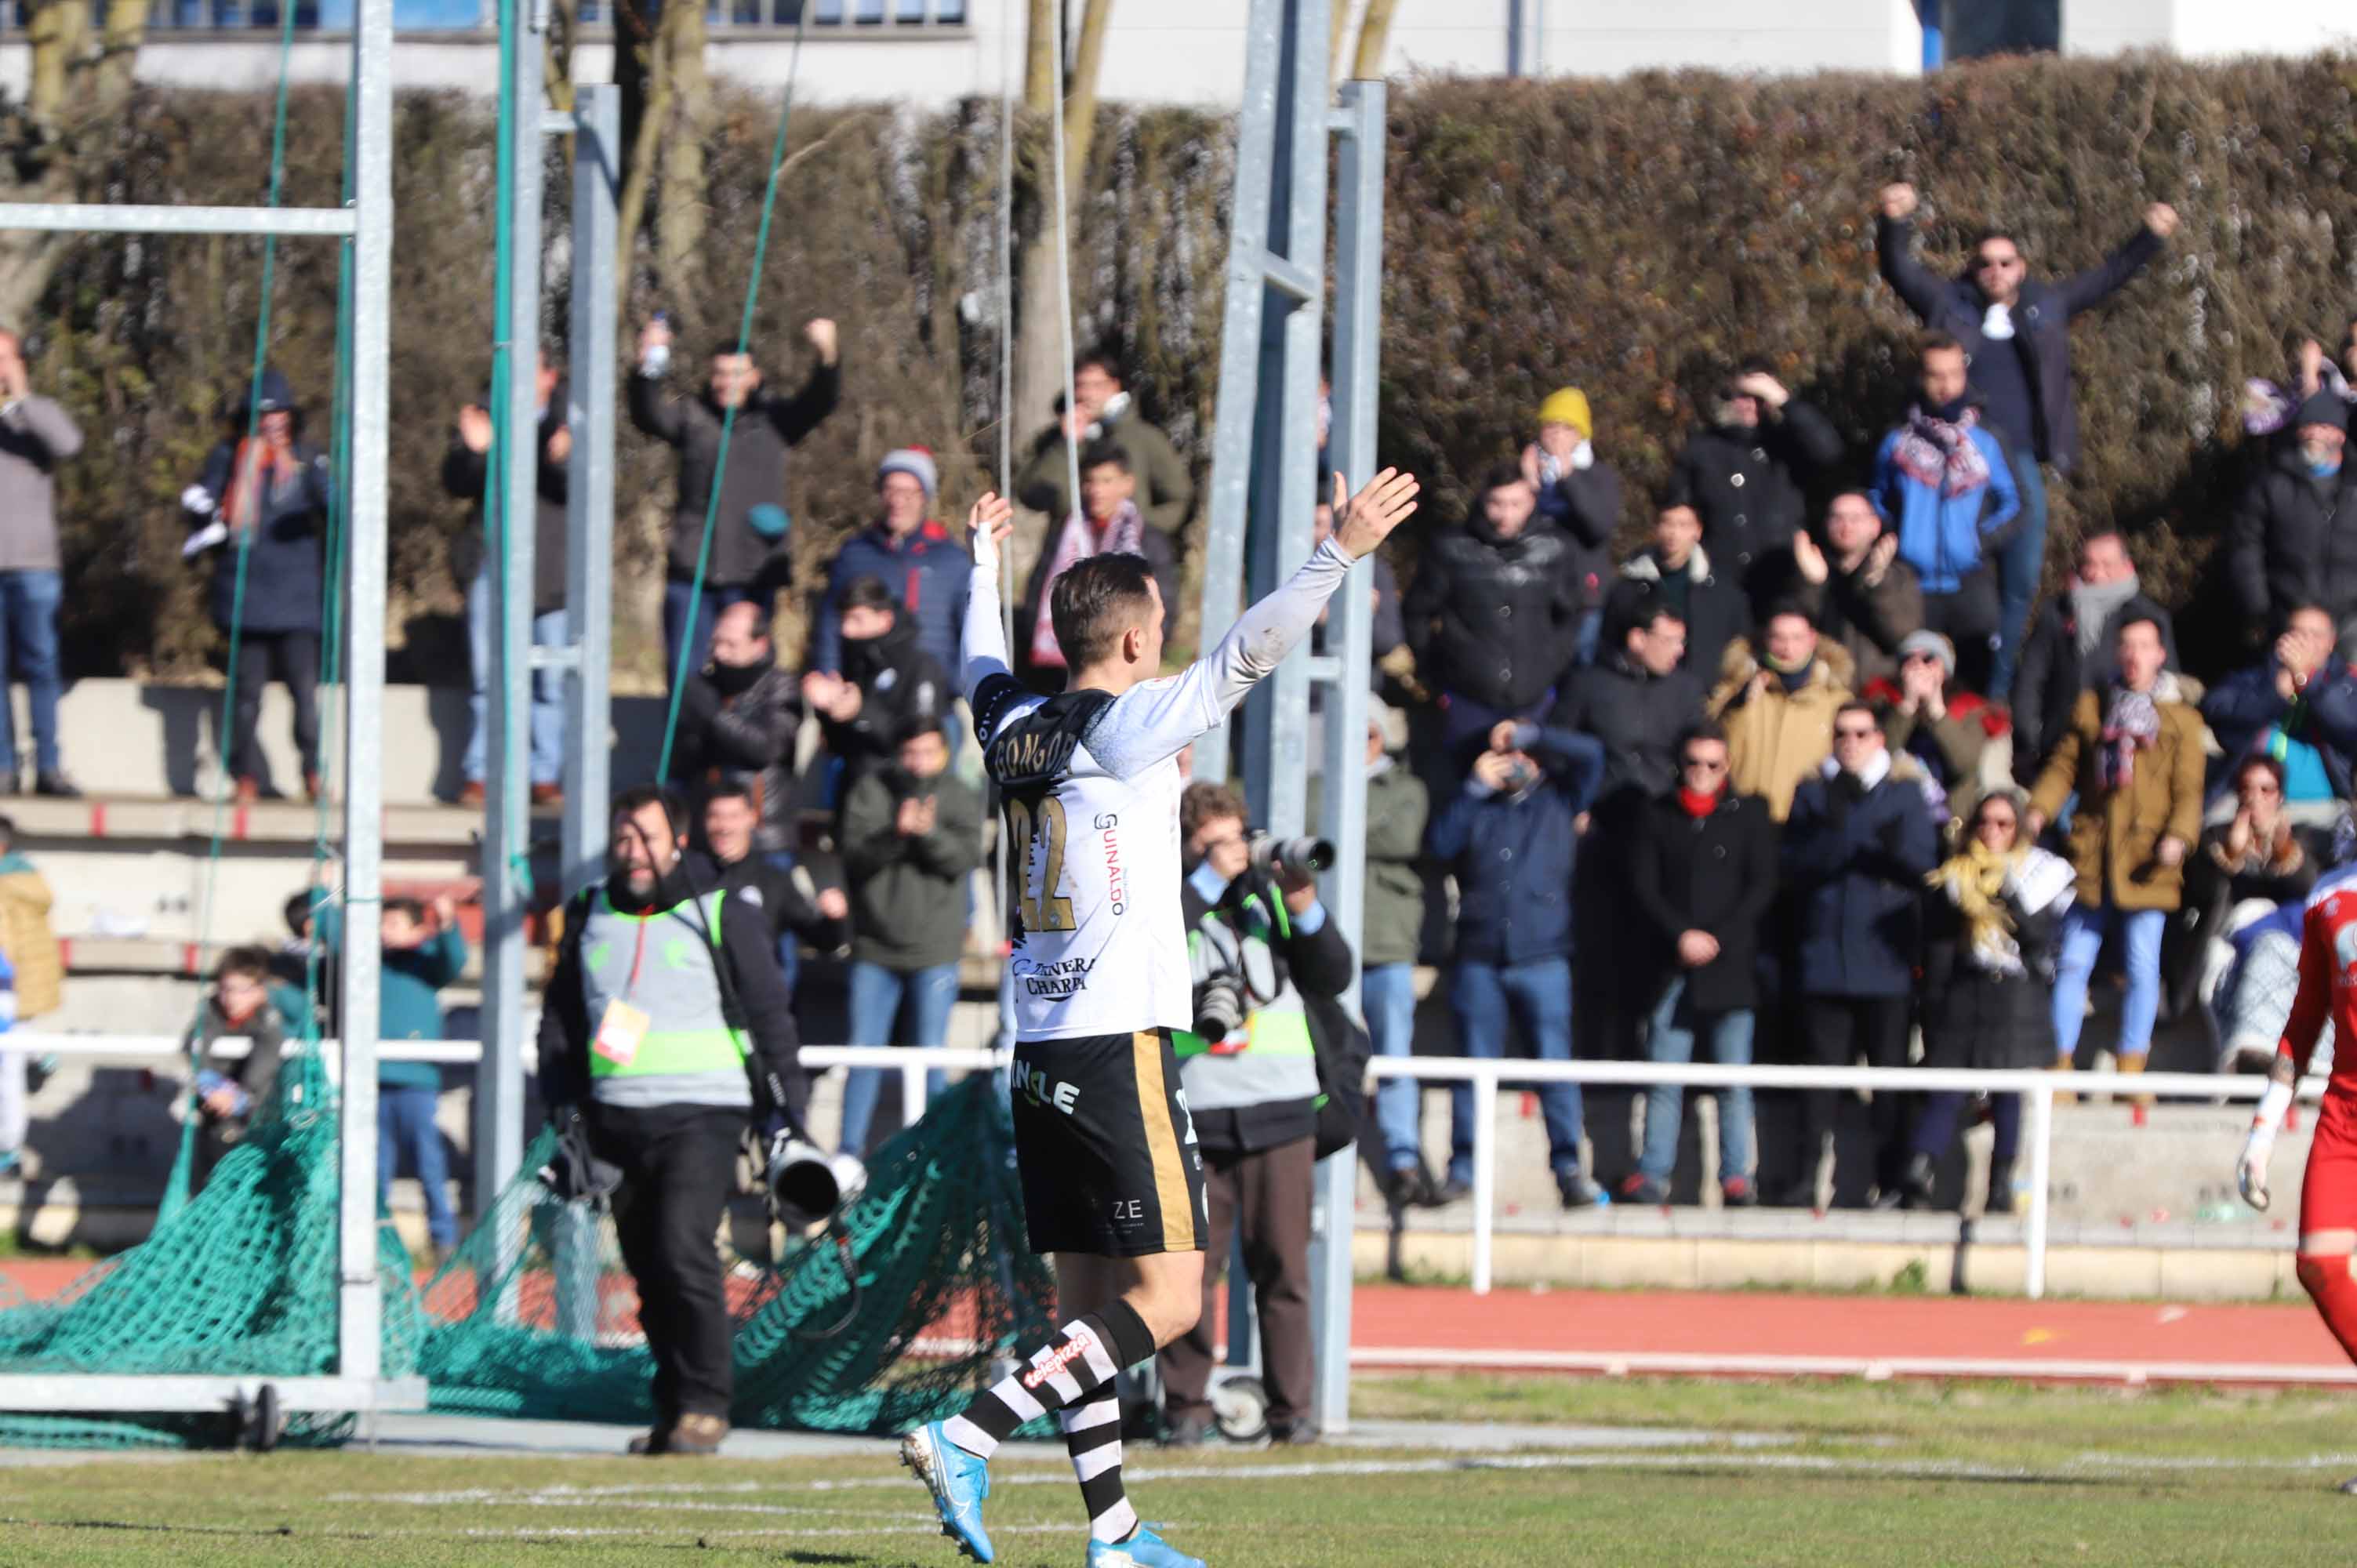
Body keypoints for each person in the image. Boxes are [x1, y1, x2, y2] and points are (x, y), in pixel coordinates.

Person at [900, 466, 1420, 1568]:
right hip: (1112, 1044)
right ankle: (967, 1432)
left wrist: (983, 563)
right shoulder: (1125, 726)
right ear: (1134, 643)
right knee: (1173, 1300)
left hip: (1036, 1049)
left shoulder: (1014, 727)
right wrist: (1337, 553)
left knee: (1085, 1305)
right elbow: (1249, 653)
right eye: (1161, 634)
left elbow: (978, 665)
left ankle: (1114, 1532)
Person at [536, 784, 808, 1457]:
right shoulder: (587, 911)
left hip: (703, 1114)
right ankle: (672, 1408)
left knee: (684, 1250)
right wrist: (562, 1105)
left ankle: (706, 1408)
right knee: (646, 1266)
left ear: (677, 841)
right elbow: (561, 1022)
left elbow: (771, 1014)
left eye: (647, 838)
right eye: (623, 837)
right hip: (613, 1120)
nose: (633, 851)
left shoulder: (719, 911)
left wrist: (789, 1111)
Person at [1876, 181, 2176, 696]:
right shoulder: (1951, 305)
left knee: (2020, 581)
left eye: (2007, 262)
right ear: (1974, 268)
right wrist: (1893, 224)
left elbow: (2108, 277)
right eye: (1986, 263)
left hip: (2015, 461)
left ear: (2022, 268)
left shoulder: (2047, 306)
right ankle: (1927, 687)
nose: (1996, 271)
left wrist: (2149, 237)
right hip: (1953, 457)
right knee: (1940, 579)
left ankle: (1996, 692)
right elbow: (1899, 270)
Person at [1159, 782, 1355, 1447]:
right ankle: (1184, 1409)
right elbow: (1157, 947)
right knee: (1189, 1274)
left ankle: (1291, 1412)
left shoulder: (1266, 901)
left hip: (1281, 1107)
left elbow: (1332, 976)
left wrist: (1303, 906)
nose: (1234, 855)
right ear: (1189, 846)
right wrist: (1207, 880)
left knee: (1284, 1270)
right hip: (1198, 1111)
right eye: (1215, 843)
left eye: (1237, 838)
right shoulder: (1170, 900)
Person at [1426, 715, 1610, 1209]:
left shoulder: (1559, 800)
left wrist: (1530, 734)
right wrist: (1471, 788)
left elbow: (1593, 752)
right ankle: (1462, 1170)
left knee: (1555, 1066)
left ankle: (1569, 1169)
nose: (1516, 762)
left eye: (1524, 754)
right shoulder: (1475, 805)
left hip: (1543, 957)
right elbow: (1440, 844)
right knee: (1472, 1070)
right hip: (1479, 958)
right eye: (1506, 754)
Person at [2026, 613, 2205, 1090]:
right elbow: (2063, 768)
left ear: (2160, 654)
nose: (2133, 655)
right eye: (2126, 646)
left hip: (2148, 862)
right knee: (2072, 962)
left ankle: (2132, 1065)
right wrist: (2037, 811)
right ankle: (2059, 1063)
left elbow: (2190, 792)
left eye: (2143, 646)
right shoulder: (2092, 707)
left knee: (2143, 965)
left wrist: (2179, 837)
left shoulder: (2182, 720)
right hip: (2092, 857)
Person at [1781, 701, 1938, 1207]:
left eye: (1861, 733)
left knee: (1889, 1080)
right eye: (1842, 733)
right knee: (1819, 1083)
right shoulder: (1812, 794)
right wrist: (1852, 836)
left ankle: (1892, 1182)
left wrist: (1871, 847)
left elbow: (1921, 866)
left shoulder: (1905, 794)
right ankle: (1806, 1179)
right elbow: (1796, 864)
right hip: (1825, 960)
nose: (1850, 742)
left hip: (1885, 965)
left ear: (1878, 739)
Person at [630, 315, 840, 681]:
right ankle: (686, 739)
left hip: (753, 572)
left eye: (737, 373)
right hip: (694, 573)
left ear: (755, 377)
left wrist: (827, 354)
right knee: (685, 676)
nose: (728, 382)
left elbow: (820, 401)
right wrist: (649, 361)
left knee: (749, 675)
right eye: (721, 374)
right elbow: (648, 414)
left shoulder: (776, 421)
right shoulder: (692, 417)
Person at [2233, 852, 2357, 1455]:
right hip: (2347, 1115)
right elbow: (2306, 1020)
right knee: (2319, 1265)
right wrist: (2262, 1133)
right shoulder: (2328, 899)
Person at [1624, 722, 1777, 1207]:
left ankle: (1737, 1178)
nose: (1702, 773)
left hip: (1730, 969)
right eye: (1693, 763)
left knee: (1735, 1080)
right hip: (1672, 968)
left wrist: (1716, 939)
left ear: (1726, 766)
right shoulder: (1655, 815)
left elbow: (1761, 886)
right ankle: (1653, 1175)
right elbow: (1644, 886)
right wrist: (1681, 936)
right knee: (1664, 1079)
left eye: (1713, 764)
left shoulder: (1750, 816)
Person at [1901, 788, 2075, 1214]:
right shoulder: (1955, 874)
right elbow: (1939, 943)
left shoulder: (2042, 873)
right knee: (1946, 1084)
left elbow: (2038, 940)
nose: (1992, 832)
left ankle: (2000, 1188)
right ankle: (1918, 1173)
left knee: (2008, 1093)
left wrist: (2005, 894)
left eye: (2003, 824)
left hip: (2015, 992)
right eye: (1984, 822)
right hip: (1967, 989)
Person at [182, 368, 332, 804]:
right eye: (260, 415)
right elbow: (203, 506)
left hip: (299, 602)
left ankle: (312, 772)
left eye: (278, 414)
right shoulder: (227, 459)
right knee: (246, 697)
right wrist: (200, 511)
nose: (269, 424)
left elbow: (334, 505)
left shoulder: (308, 457)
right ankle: (243, 776)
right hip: (247, 600)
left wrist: (315, 480)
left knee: (306, 695)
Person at [837, 717, 982, 1155]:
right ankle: (848, 1154)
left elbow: (966, 857)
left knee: (930, 1058)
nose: (919, 762)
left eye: (928, 752)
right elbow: (854, 857)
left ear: (944, 751)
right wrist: (895, 835)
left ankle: (931, 1157)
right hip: (873, 950)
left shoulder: (959, 793)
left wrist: (928, 834)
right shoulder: (871, 791)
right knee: (863, 1057)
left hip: (935, 951)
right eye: (911, 753)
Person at [442, 357, 570, 809]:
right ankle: (480, 772)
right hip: (491, 567)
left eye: (531, 369)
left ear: (549, 376)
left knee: (549, 682)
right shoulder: (482, 417)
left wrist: (562, 455)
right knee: (487, 676)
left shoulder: (568, 420)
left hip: (552, 570)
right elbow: (456, 483)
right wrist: (478, 452)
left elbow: (576, 486)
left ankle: (544, 774)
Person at [321, 895, 468, 1262]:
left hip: (417, 1080)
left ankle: (443, 1239)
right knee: (374, 1166)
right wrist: (322, 894)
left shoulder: (425, 964)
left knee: (428, 1162)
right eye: (382, 924)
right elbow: (332, 933)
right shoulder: (367, 963)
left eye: (395, 924)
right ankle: (373, 1240)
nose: (385, 932)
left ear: (418, 929)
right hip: (371, 1080)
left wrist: (449, 924)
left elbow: (455, 959)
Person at [1403, 462, 1585, 757]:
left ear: (1532, 502)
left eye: (1516, 504)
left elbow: (1572, 614)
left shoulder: (1555, 548)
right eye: (1497, 504)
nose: (1505, 515)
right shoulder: (1451, 548)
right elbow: (1417, 612)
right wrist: (1434, 670)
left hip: (1534, 696)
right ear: (1483, 500)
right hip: (1467, 697)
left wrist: (1553, 661)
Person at [1869, 333, 2021, 686]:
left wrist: (1980, 541)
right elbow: (1875, 496)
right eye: (1936, 374)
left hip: (1971, 581)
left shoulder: (1986, 439)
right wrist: (1897, 533)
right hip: (1913, 585)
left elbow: (2016, 502)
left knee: (1974, 691)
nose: (1946, 384)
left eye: (1954, 373)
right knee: (1909, 683)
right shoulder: (1896, 441)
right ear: (1920, 377)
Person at [1663, 361, 1844, 613]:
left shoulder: (1789, 444)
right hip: (1717, 586)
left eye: (1759, 397)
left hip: (1782, 585)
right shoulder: (1701, 449)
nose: (1750, 405)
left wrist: (1783, 401)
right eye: (1742, 396)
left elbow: (1829, 452)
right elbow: (1678, 508)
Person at [2010, 528, 2177, 779]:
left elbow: (2167, 684)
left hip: (2128, 753)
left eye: (2107, 564)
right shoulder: (2056, 613)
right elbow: (2031, 678)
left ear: (2126, 566)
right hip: (2060, 748)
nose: (2096, 573)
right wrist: (2030, 735)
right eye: (2089, 564)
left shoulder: (2147, 617)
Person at [1018, 442, 1181, 691]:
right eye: (1090, 481)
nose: (1097, 490)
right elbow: (1041, 586)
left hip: (1121, 668)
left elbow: (1163, 602)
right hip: (1059, 667)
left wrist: (1148, 651)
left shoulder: (1149, 540)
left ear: (1128, 484)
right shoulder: (1064, 531)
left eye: (1107, 481)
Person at [1356, 699, 1433, 1205]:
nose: (1357, 744)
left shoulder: (1407, 788)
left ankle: (1404, 1159)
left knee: (1395, 1054)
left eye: (1365, 734)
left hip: (1387, 945)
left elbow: (1402, 837)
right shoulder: (1318, 781)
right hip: (1327, 948)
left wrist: (1343, 827)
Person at [0, 328, 82, 797]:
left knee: (41, 665)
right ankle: (5, 768)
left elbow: (68, 444)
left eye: (6, 358)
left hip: (33, 566)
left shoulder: (39, 414)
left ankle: (49, 765)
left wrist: (21, 397)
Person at [812, 448, 971, 677]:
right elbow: (830, 623)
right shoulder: (855, 553)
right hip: (867, 692)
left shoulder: (952, 558)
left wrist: (959, 684)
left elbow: (970, 630)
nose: (897, 501)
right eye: (890, 490)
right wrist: (830, 675)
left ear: (924, 497)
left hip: (937, 695)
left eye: (908, 493)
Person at [695, 781, 847, 1012]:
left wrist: (834, 919)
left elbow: (822, 939)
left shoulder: (773, 880)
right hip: (701, 1005)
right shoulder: (690, 878)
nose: (723, 826)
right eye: (715, 816)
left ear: (752, 818)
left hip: (756, 1009)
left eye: (733, 816)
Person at [1015, 347, 1193, 537]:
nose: (1088, 394)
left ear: (1115, 386)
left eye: (1097, 385)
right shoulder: (1054, 439)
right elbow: (1030, 495)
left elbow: (1179, 497)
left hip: (1128, 556)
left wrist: (1145, 529)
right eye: (1081, 385)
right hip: (1068, 553)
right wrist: (1065, 446)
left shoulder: (1144, 437)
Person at [803, 576, 954, 801]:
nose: (847, 630)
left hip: (898, 797)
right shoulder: (856, 660)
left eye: (856, 619)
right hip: (857, 793)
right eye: (843, 620)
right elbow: (838, 744)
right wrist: (827, 709)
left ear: (884, 619)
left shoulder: (919, 666)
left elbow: (918, 741)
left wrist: (859, 711)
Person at [673, 601, 801, 852]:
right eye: (716, 643)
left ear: (759, 645)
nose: (719, 653)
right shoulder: (705, 686)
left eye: (731, 644)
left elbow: (767, 748)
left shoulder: (780, 686)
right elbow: (681, 762)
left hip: (762, 835)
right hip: (708, 831)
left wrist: (715, 717)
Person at [2202, 604, 2357, 810]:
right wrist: (2273, 694)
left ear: (2331, 643)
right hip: (2245, 800)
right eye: (2297, 633)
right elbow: (2216, 711)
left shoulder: (2347, 683)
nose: (2305, 642)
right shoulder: (2258, 677)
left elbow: (2349, 727)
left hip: (2323, 807)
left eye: (2315, 635)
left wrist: (2307, 681)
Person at [2228, 391, 2357, 638]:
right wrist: (2260, 606)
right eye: (2307, 426)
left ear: (2340, 434)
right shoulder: (2271, 484)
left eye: (2322, 426)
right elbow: (2245, 545)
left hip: (2351, 622)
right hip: (2289, 620)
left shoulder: (2353, 484)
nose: (2313, 434)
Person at [1706, 608, 1854, 822]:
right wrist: (1738, 707)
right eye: (1778, 638)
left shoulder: (1836, 701)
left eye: (1797, 638)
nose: (1787, 648)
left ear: (1812, 639)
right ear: (1765, 638)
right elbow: (1718, 749)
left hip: (1806, 823)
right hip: (1742, 819)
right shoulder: (1735, 692)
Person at [1867, 630, 2011, 841]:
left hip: (1949, 824)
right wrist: (1906, 707)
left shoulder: (1970, 710)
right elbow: (1877, 760)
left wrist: (1937, 711)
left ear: (1944, 669)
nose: (1918, 666)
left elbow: (1965, 763)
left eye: (1928, 659)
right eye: (1909, 659)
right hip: (1896, 821)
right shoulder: (1883, 706)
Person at [1522, 387, 1623, 666]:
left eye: (1567, 427)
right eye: (1550, 425)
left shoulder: (1598, 476)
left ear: (1581, 433)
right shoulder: (1527, 473)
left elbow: (1599, 525)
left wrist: (1568, 476)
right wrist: (1530, 483)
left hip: (1583, 599)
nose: (1556, 434)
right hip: (1535, 594)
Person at [1791, 492, 1924, 689]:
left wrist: (1877, 583)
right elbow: (1794, 636)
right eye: (1837, 518)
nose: (1847, 526)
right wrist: (1812, 584)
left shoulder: (1898, 576)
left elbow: (1901, 636)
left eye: (1856, 518)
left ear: (1875, 526)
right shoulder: (1813, 569)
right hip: (1823, 691)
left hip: (1877, 693)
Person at [185, 946, 289, 1197]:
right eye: (226, 989)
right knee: (210, 1193)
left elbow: (267, 1055)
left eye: (242, 991)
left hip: (258, 1123)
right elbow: (196, 1046)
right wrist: (212, 1089)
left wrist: (240, 1096)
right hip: (216, 1122)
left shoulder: (268, 1017)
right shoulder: (210, 1012)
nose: (232, 999)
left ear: (261, 990)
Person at [1611, 500, 1748, 680]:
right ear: (1656, 527)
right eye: (1667, 523)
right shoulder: (1628, 587)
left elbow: (1739, 647)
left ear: (1697, 531)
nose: (1673, 533)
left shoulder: (1723, 593)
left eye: (1683, 525)